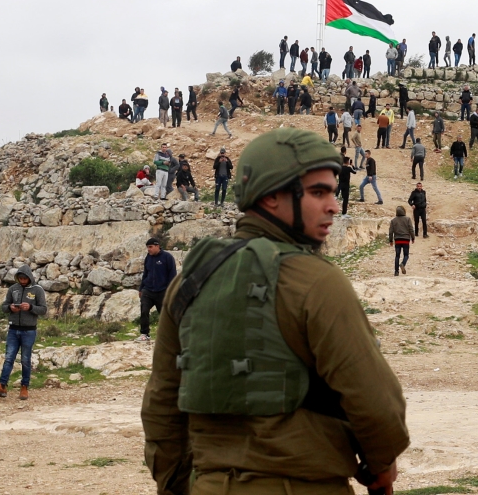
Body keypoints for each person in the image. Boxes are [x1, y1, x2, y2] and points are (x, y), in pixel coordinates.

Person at [141, 128, 408, 494]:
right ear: (270, 198)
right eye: (318, 192)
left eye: (332, 191)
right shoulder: (316, 281)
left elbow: (162, 405)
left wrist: (175, 484)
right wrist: (381, 466)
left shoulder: (191, 279)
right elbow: (378, 405)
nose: (333, 205)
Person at [0, 265, 47, 400]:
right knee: (9, 358)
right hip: (13, 329)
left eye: (24, 278)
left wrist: (31, 307)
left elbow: (43, 309)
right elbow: (3, 307)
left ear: (29, 277)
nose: (22, 280)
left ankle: (24, 387)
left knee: (25, 360)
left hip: (29, 331)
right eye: (20, 278)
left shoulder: (37, 290)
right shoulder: (12, 289)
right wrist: (10, 308)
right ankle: (2, 386)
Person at [135, 237, 176, 342]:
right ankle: (145, 334)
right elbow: (145, 274)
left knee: (164, 315)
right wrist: (141, 289)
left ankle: (168, 335)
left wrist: (170, 290)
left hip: (162, 291)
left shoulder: (167, 257)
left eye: (150, 247)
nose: (149, 249)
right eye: (147, 247)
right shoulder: (148, 258)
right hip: (148, 290)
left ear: (157, 246)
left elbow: (173, 275)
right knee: (144, 311)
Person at [389, 205, 415, 276]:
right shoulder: (408, 219)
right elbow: (411, 229)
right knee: (406, 255)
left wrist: (390, 240)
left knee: (397, 256)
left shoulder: (393, 220)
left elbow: (391, 232)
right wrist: (413, 238)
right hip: (406, 240)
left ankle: (396, 272)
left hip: (397, 240)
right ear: (404, 211)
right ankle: (403, 264)